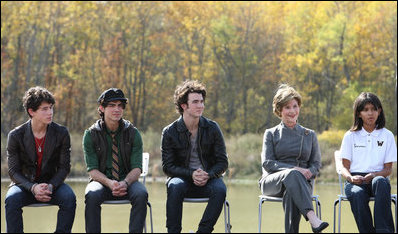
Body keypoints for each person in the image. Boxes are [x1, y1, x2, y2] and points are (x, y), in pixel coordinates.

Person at [258, 84, 329, 233]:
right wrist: (294, 169)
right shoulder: (271, 133)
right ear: (279, 110)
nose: (292, 111)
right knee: (292, 174)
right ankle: (312, 217)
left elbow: (316, 164)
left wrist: (310, 171)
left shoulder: (309, 134)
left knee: (291, 190)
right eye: (287, 107)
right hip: (273, 182)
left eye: (295, 106)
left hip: (301, 185)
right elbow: (267, 163)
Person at [5, 86, 76, 233]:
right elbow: (13, 171)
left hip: (52, 185)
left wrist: (50, 186)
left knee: (69, 198)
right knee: (11, 199)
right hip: (24, 186)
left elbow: (64, 168)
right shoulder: (15, 135)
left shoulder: (61, 133)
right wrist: (33, 187)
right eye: (44, 109)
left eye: (51, 108)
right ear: (31, 111)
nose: (50, 112)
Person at [161, 80, 229, 233]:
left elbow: (222, 162)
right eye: (195, 102)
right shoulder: (169, 132)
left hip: (208, 179)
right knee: (174, 185)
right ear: (184, 105)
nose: (201, 106)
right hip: (182, 179)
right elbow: (168, 167)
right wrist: (191, 174)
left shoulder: (212, 128)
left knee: (220, 189)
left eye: (202, 102)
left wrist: (209, 174)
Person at [83, 88, 148, 233]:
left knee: (141, 194)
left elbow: (137, 168)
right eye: (112, 105)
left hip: (128, 182)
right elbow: (92, 170)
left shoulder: (133, 133)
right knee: (91, 194)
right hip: (101, 183)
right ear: (102, 108)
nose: (117, 109)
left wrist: (124, 183)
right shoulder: (90, 135)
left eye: (120, 105)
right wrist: (110, 183)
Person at [339, 92, 396, 233]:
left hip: (378, 177)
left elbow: (388, 169)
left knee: (381, 182)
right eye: (365, 110)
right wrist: (350, 178)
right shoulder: (350, 136)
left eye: (374, 109)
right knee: (357, 194)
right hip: (355, 180)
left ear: (379, 111)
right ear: (359, 113)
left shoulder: (387, 135)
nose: (370, 113)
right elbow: (344, 167)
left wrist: (375, 174)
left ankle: (383, 231)